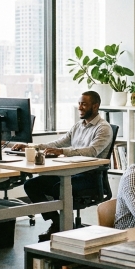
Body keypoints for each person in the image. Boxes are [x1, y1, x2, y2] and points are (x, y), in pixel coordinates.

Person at [12, 91, 113, 241]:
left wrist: (62, 152)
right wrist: (30, 147)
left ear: (95, 106)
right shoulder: (78, 126)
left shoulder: (103, 128)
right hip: (70, 173)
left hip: (89, 176)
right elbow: (58, 143)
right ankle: (58, 222)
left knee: (57, 188)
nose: (80, 107)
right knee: (32, 185)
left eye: (84, 104)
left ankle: (61, 226)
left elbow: (92, 152)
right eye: (79, 103)